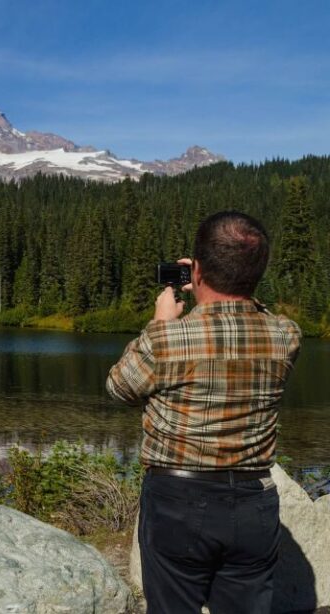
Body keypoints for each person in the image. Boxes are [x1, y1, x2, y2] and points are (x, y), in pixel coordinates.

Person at [106, 211, 301, 613]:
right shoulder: (286, 335)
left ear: (195, 271)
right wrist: (218, 279)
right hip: (253, 500)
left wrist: (159, 322)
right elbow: (250, 313)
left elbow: (119, 388)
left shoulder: (167, 340)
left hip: (177, 500)